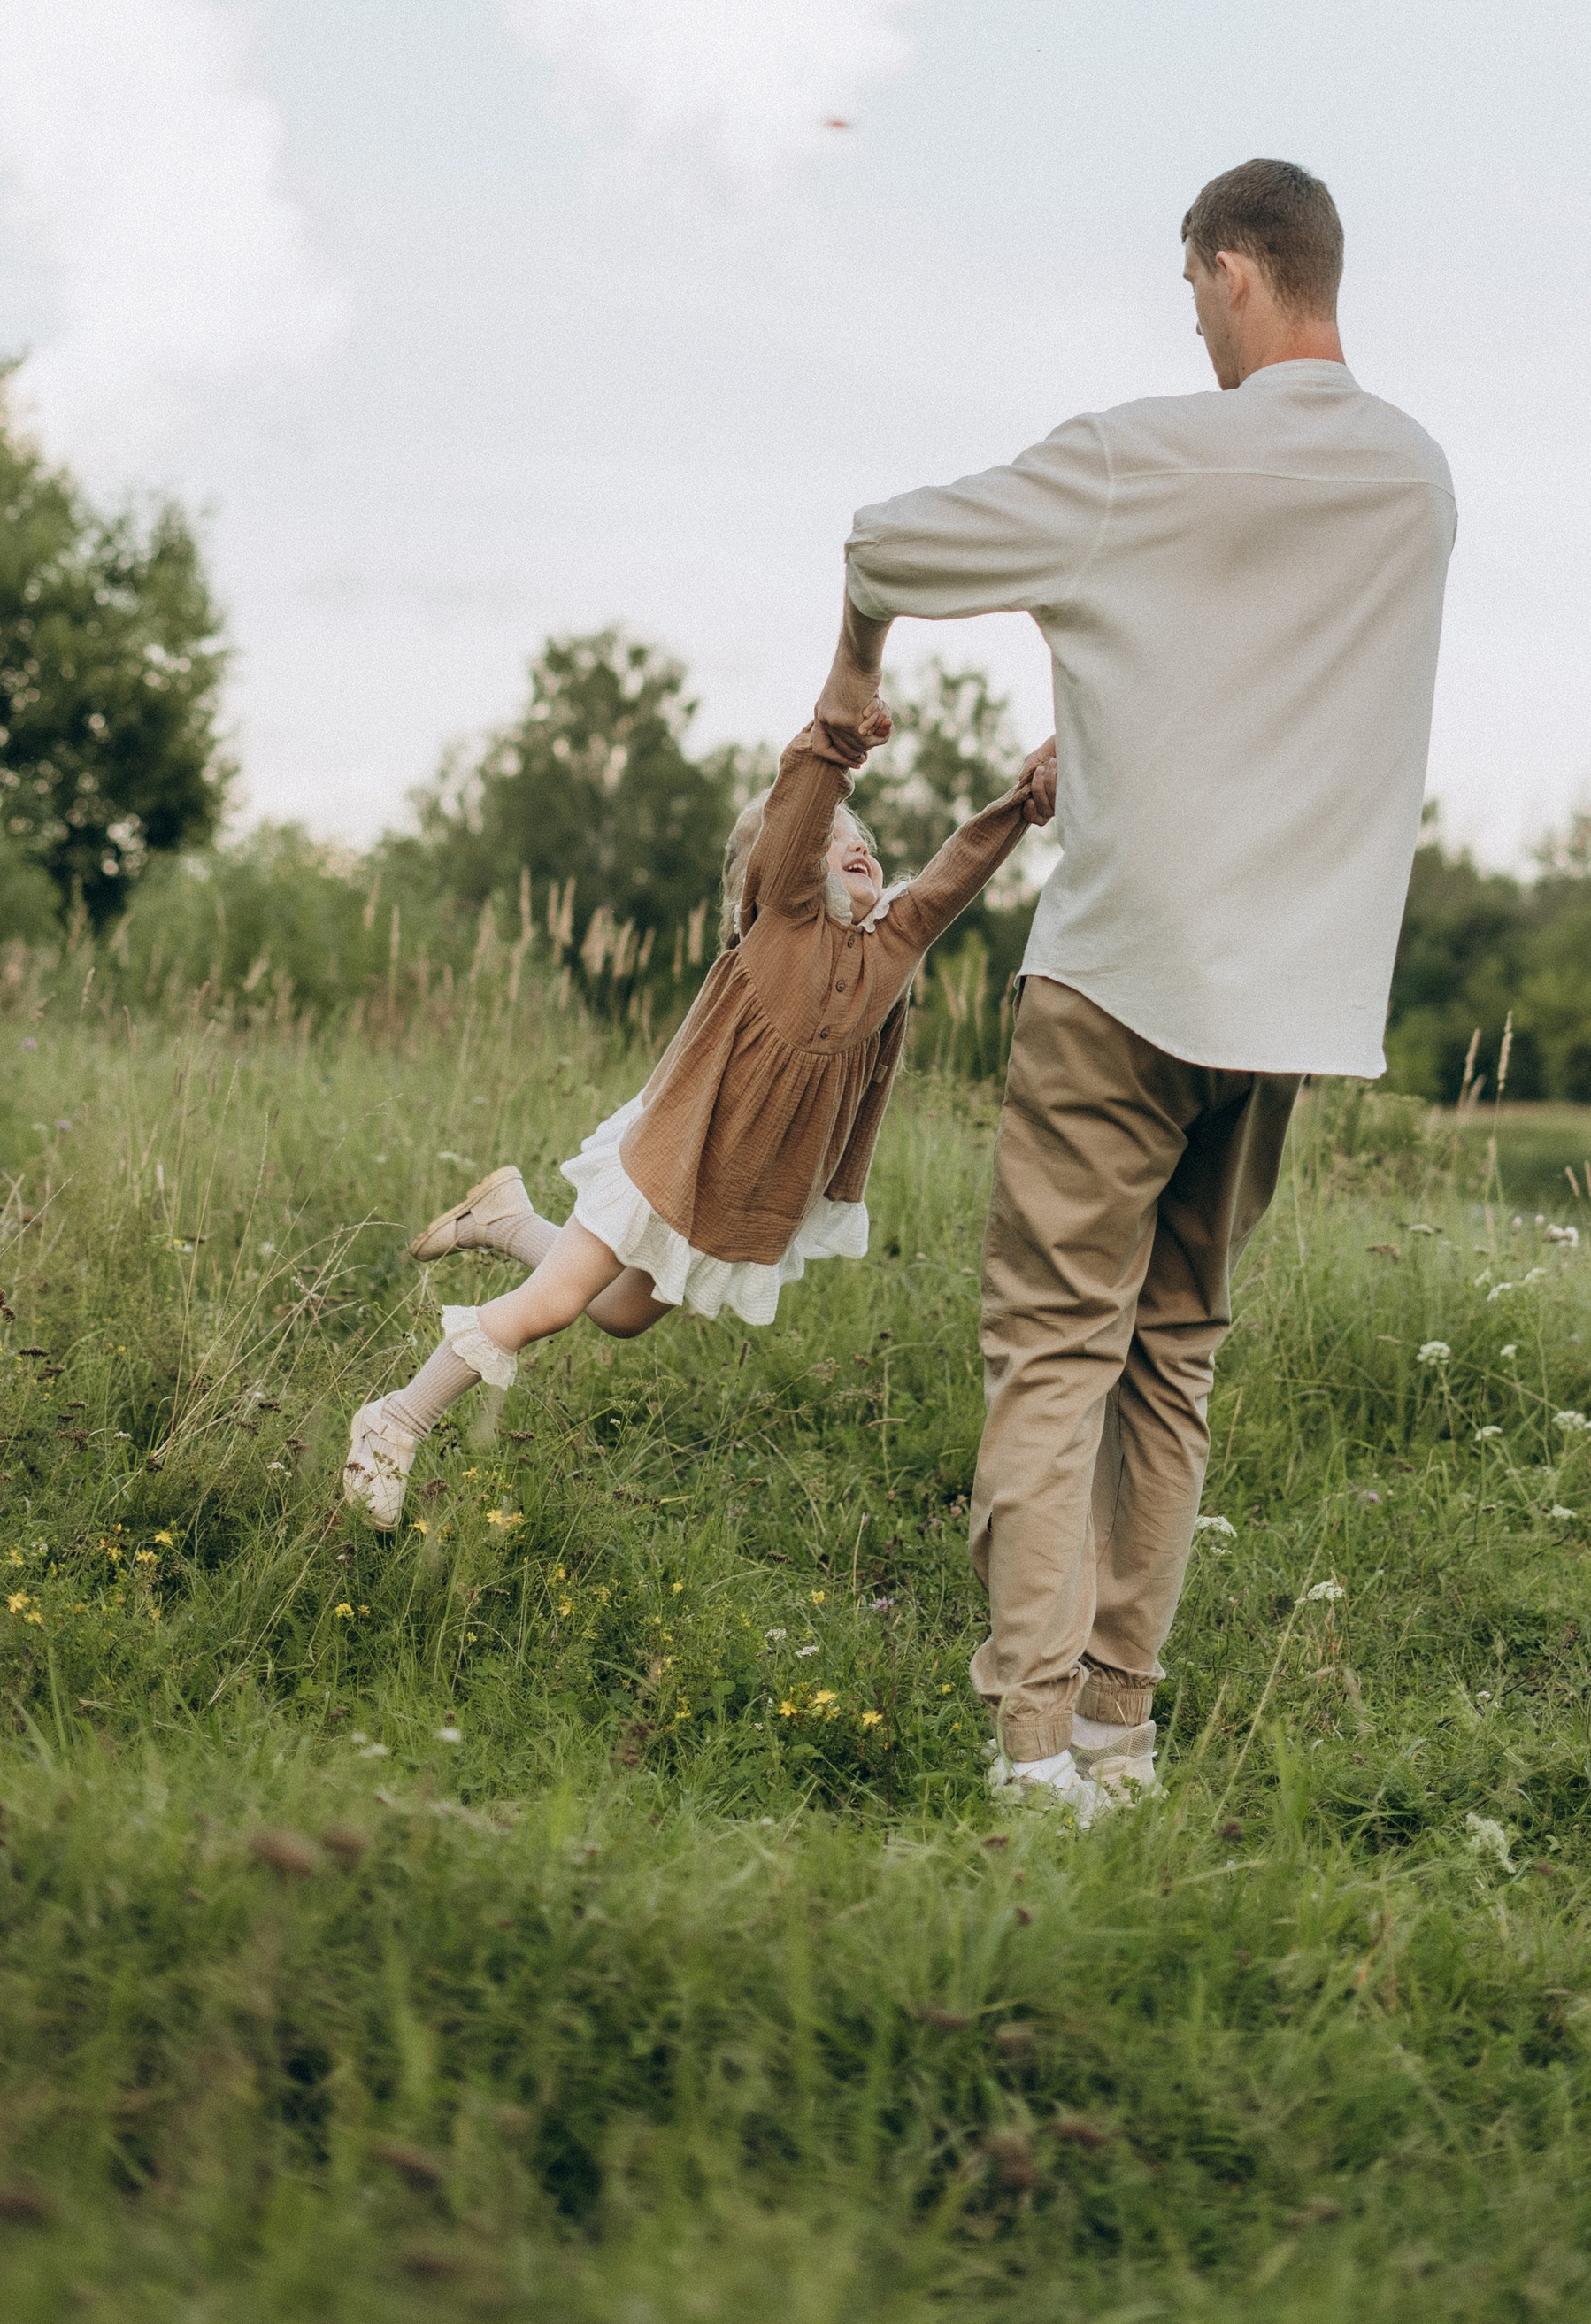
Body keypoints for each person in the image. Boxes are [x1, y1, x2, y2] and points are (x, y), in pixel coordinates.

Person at [836, 158, 1454, 1820]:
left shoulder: (1139, 456)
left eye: (1194, 292)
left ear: (1233, 270)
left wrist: (860, 659)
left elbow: (888, 542)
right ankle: (1120, 1730)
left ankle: (1032, 1750)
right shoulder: (1413, 478)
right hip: (1293, 1002)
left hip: (1124, 978)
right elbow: (1262, 679)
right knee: (1173, 1355)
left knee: (1052, 1353)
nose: (1193, 325)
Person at [342, 691, 1055, 1528]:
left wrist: (1024, 801)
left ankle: (506, 1220)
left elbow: (955, 869)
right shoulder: (781, 925)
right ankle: (393, 1424)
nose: (853, 846)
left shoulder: (893, 950)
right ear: (782, 871)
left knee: (619, 1311)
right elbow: (797, 818)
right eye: (833, 840)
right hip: (668, 1156)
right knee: (554, 1304)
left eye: (862, 841)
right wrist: (834, 753)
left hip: (728, 1190)